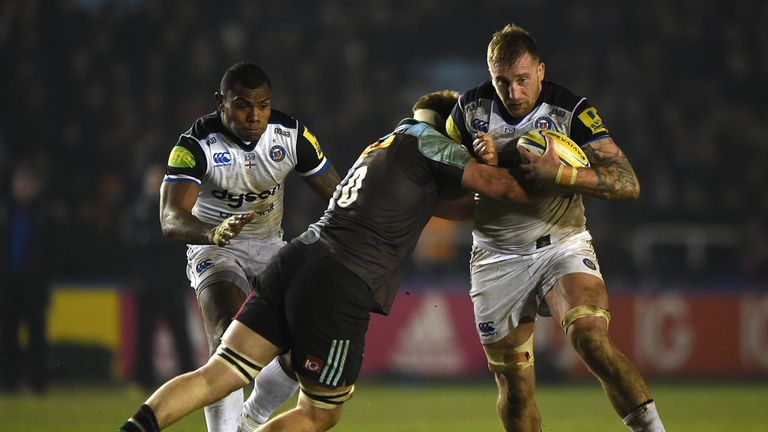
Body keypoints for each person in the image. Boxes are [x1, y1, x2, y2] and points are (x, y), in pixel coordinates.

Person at [117, 90, 532, 432]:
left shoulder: (385, 149)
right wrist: (553, 176)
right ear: (450, 129)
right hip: (343, 283)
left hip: (298, 257)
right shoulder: (430, 143)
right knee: (320, 412)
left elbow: (463, 208)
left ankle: (134, 428)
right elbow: (502, 188)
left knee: (219, 373)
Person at [445, 24, 665, 431]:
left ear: (541, 72)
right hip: (496, 256)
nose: (512, 93)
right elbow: (443, 179)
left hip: (560, 243)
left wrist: (562, 175)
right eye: (502, 82)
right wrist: (477, 165)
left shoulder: (570, 111)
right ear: (491, 75)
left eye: (522, 80)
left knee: (590, 337)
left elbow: (626, 182)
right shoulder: (469, 110)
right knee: (515, 388)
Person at [159, 62, 341, 432]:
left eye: (263, 105)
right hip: (214, 248)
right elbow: (170, 217)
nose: (255, 115)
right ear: (219, 102)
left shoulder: (290, 135)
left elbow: (340, 197)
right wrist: (211, 233)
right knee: (226, 335)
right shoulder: (195, 145)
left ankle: (250, 420)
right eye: (243, 105)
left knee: (302, 348)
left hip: (269, 246)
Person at [126, 164, 195, 390]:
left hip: (171, 283)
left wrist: (151, 241)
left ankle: (189, 377)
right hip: (147, 284)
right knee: (144, 335)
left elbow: (180, 240)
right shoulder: (140, 209)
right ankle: (141, 379)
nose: (156, 184)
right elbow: (130, 241)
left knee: (181, 335)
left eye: (159, 180)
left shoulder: (172, 208)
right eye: (153, 180)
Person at [0, 161, 54, 394]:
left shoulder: (44, 216)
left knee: (36, 336)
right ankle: (9, 381)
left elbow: (53, 254)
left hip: (34, 286)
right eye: (19, 182)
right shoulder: (6, 214)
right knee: (7, 335)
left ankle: (37, 382)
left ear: (35, 186)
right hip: (8, 284)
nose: (22, 187)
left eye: (27, 183)